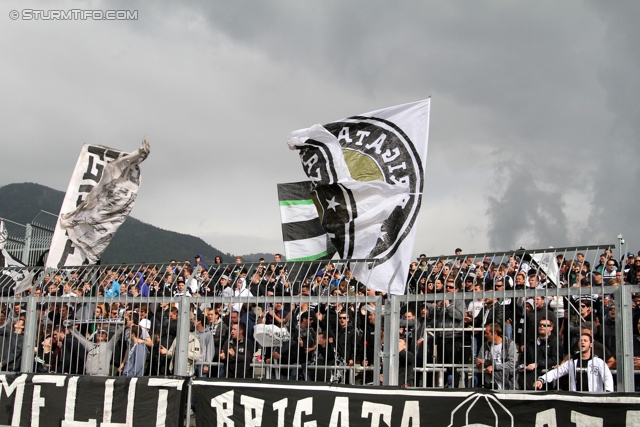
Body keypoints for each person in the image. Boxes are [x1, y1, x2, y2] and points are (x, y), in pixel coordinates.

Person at [535, 333, 613, 392]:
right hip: (576, 400)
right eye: (580, 341)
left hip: (593, 400)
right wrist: (542, 379)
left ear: (591, 345)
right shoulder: (572, 362)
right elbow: (556, 372)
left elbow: (607, 377)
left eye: (585, 341)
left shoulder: (598, 362)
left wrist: (608, 393)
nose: (582, 342)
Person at [476, 323, 516, 390]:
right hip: (489, 382)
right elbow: (480, 363)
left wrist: (494, 367)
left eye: (487, 333)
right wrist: (479, 364)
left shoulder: (509, 344)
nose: (485, 335)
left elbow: (512, 363)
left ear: (494, 333)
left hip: (506, 382)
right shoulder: (485, 346)